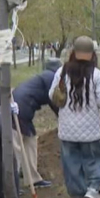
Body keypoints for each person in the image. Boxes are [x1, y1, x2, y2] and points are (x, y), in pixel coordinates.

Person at [48, 37, 100, 198]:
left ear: (73, 52)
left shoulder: (61, 72)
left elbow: (51, 94)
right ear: (92, 54)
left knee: (71, 164)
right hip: (90, 129)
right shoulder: (96, 74)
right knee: (95, 159)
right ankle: (94, 189)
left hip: (67, 129)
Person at [12, 58, 62, 189]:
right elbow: (54, 101)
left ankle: (32, 179)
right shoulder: (51, 77)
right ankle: (11, 184)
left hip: (23, 108)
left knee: (30, 140)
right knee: (16, 147)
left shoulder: (45, 76)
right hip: (18, 108)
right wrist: (63, 119)